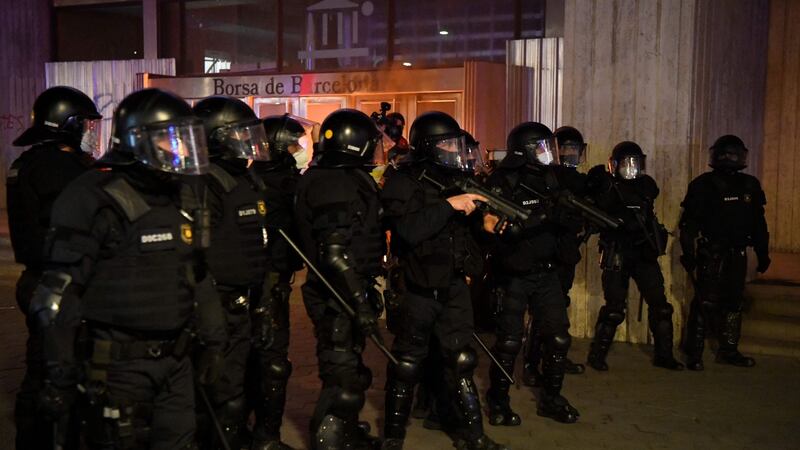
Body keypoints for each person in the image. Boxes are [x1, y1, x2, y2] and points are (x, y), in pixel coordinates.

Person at [29, 88, 227, 449]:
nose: (182, 150)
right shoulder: (93, 195)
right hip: (118, 368)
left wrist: (215, 340)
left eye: (185, 140)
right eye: (173, 140)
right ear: (139, 141)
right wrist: (59, 374)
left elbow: (197, 273)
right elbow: (57, 294)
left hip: (177, 362)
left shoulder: (182, 195)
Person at [380, 111, 506, 450]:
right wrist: (450, 206)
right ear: (428, 146)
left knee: (462, 360)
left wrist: (487, 229)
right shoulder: (403, 181)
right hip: (418, 288)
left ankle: (475, 437)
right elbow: (408, 230)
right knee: (407, 364)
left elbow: (464, 239)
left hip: (452, 286)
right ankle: (392, 436)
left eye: (456, 143)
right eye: (447, 143)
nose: (454, 150)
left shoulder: (455, 180)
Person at [8, 85, 101, 450]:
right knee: (53, 375)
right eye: (84, 125)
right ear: (66, 125)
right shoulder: (55, 166)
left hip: (39, 279)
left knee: (46, 368)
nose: (89, 134)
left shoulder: (29, 162)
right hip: (58, 282)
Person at [294, 108, 386, 449]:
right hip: (337, 295)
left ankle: (347, 432)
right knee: (341, 380)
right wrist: (359, 303)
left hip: (350, 289)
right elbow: (333, 253)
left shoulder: (345, 177)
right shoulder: (333, 184)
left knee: (352, 371)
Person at [483, 122, 579, 425]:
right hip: (513, 273)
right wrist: (539, 217)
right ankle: (498, 401)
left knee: (559, 338)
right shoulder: (503, 180)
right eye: (541, 147)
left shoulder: (550, 177)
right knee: (509, 342)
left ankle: (551, 397)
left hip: (547, 271)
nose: (548, 153)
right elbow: (493, 228)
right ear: (524, 150)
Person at [192, 96, 272, 449]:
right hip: (216, 305)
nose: (248, 142)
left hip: (243, 302)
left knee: (237, 387)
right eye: (240, 135)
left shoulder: (243, 178)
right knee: (219, 392)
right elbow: (198, 257)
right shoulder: (204, 184)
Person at [585, 141, 684, 371]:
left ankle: (664, 355)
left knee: (661, 307)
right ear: (615, 165)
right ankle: (597, 355)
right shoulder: (607, 186)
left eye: (635, 164)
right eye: (626, 164)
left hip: (642, 252)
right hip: (617, 252)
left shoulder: (646, 185)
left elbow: (649, 200)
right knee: (614, 310)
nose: (630, 168)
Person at [680, 135, 769, 370]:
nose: (730, 158)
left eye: (734, 154)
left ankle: (729, 350)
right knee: (704, 302)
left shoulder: (749, 185)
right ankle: (694, 352)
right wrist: (688, 253)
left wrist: (763, 252)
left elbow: (759, 223)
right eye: (726, 154)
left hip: (737, 252)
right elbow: (688, 225)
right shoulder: (703, 185)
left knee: (733, 303)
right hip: (712, 252)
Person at [247, 114, 309, 449]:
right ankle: (265, 435)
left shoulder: (265, 177)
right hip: (267, 279)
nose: (298, 149)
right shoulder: (273, 183)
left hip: (275, 277)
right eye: (291, 144)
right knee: (271, 359)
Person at [521, 125, 588, 386]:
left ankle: (553, 358)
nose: (570, 153)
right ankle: (531, 362)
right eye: (565, 148)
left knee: (559, 309)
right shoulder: (547, 176)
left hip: (566, 250)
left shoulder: (576, 179)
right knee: (541, 312)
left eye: (574, 149)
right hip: (547, 249)